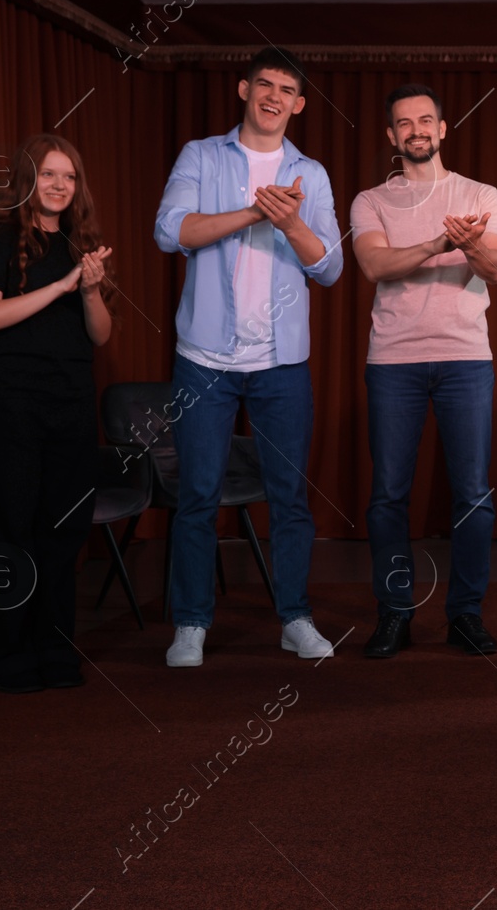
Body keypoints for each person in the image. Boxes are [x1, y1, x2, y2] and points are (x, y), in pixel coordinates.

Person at [154, 47, 343, 668]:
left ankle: (294, 617)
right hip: (204, 360)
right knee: (198, 495)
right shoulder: (200, 156)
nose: (274, 96)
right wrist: (253, 212)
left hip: (281, 365)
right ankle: (190, 624)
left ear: (299, 103)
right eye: (265, 84)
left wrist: (290, 224)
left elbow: (331, 267)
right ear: (244, 88)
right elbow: (170, 231)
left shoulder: (309, 174)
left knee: (289, 497)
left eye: (287, 89)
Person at [351, 84, 497, 659]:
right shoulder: (370, 201)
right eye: (404, 123)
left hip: (466, 358)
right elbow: (375, 264)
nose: (416, 130)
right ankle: (394, 613)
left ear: (443, 129)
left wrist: (470, 246)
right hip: (394, 360)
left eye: (426, 120)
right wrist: (444, 239)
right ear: (392, 137)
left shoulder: (481, 193)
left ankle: (465, 614)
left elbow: (496, 271)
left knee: (473, 494)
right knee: (389, 496)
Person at [0, 134, 113, 693]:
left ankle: (55, 650)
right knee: (10, 528)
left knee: (63, 531)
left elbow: (99, 334)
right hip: (12, 404)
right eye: (49, 174)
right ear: (28, 180)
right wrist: (63, 286)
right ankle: (8, 657)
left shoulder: (80, 244)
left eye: (68, 177)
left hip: (70, 402)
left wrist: (90, 290)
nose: (59, 186)